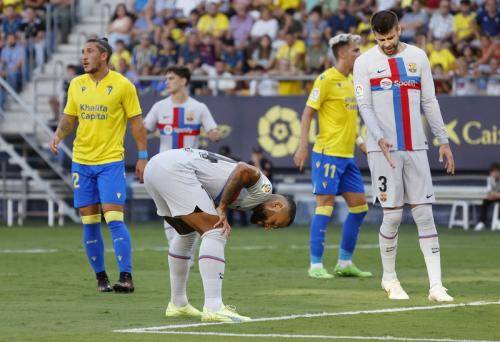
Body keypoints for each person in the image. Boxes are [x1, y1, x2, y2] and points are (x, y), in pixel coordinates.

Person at [353, 10, 455, 302]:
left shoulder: (418, 57)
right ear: (374, 35)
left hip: (416, 146)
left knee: (424, 213)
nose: (386, 42)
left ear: (399, 29)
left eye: (391, 36)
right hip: (382, 149)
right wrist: (380, 135)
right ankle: (389, 279)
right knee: (394, 215)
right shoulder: (364, 63)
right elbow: (364, 105)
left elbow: (429, 101)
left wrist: (443, 140)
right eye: (380, 38)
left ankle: (436, 286)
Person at [143, 148, 296, 322]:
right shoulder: (265, 189)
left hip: (155, 167)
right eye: (275, 223)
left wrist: (221, 205)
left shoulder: (254, 200)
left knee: (186, 233)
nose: (269, 227)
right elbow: (244, 170)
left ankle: (178, 304)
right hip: (175, 170)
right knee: (216, 232)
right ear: (277, 206)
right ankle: (214, 307)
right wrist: (222, 207)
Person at [49, 38, 148, 293]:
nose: (84, 56)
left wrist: (143, 156)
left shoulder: (123, 85)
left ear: (103, 56)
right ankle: (101, 278)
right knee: (89, 222)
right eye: (83, 52)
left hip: (110, 161)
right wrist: (59, 135)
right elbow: (69, 117)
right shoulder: (76, 84)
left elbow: (136, 122)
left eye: (90, 52)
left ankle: (126, 277)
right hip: (81, 162)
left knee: (114, 218)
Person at [294, 33, 372, 280]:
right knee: (325, 206)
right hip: (327, 154)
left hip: (347, 156)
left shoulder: (352, 81)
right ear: (342, 54)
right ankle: (315, 265)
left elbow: (349, 120)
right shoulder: (325, 79)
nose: (358, 55)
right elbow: (307, 114)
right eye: (355, 51)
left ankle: (344, 262)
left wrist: (360, 142)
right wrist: (302, 146)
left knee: (360, 208)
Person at [143, 65, 220, 254]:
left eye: (171, 78)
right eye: (166, 79)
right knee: (169, 214)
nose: (167, 82)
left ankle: (183, 254)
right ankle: (178, 253)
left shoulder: (199, 108)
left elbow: (214, 132)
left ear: (184, 81)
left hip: (188, 168)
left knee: (192, 212)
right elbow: (143, 130)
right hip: (163, 168)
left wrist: (214, 133)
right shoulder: (159, 107)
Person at [474, 163, 500, 231]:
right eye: (493, 172)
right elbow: (489, 193)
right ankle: (481, 223)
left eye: (496, 172)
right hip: (493, 198)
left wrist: (494, 194)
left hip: (497, 197)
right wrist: (495, 195)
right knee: (485, 201)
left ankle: (498, 221)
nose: (495, 174)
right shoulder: (489, 179)